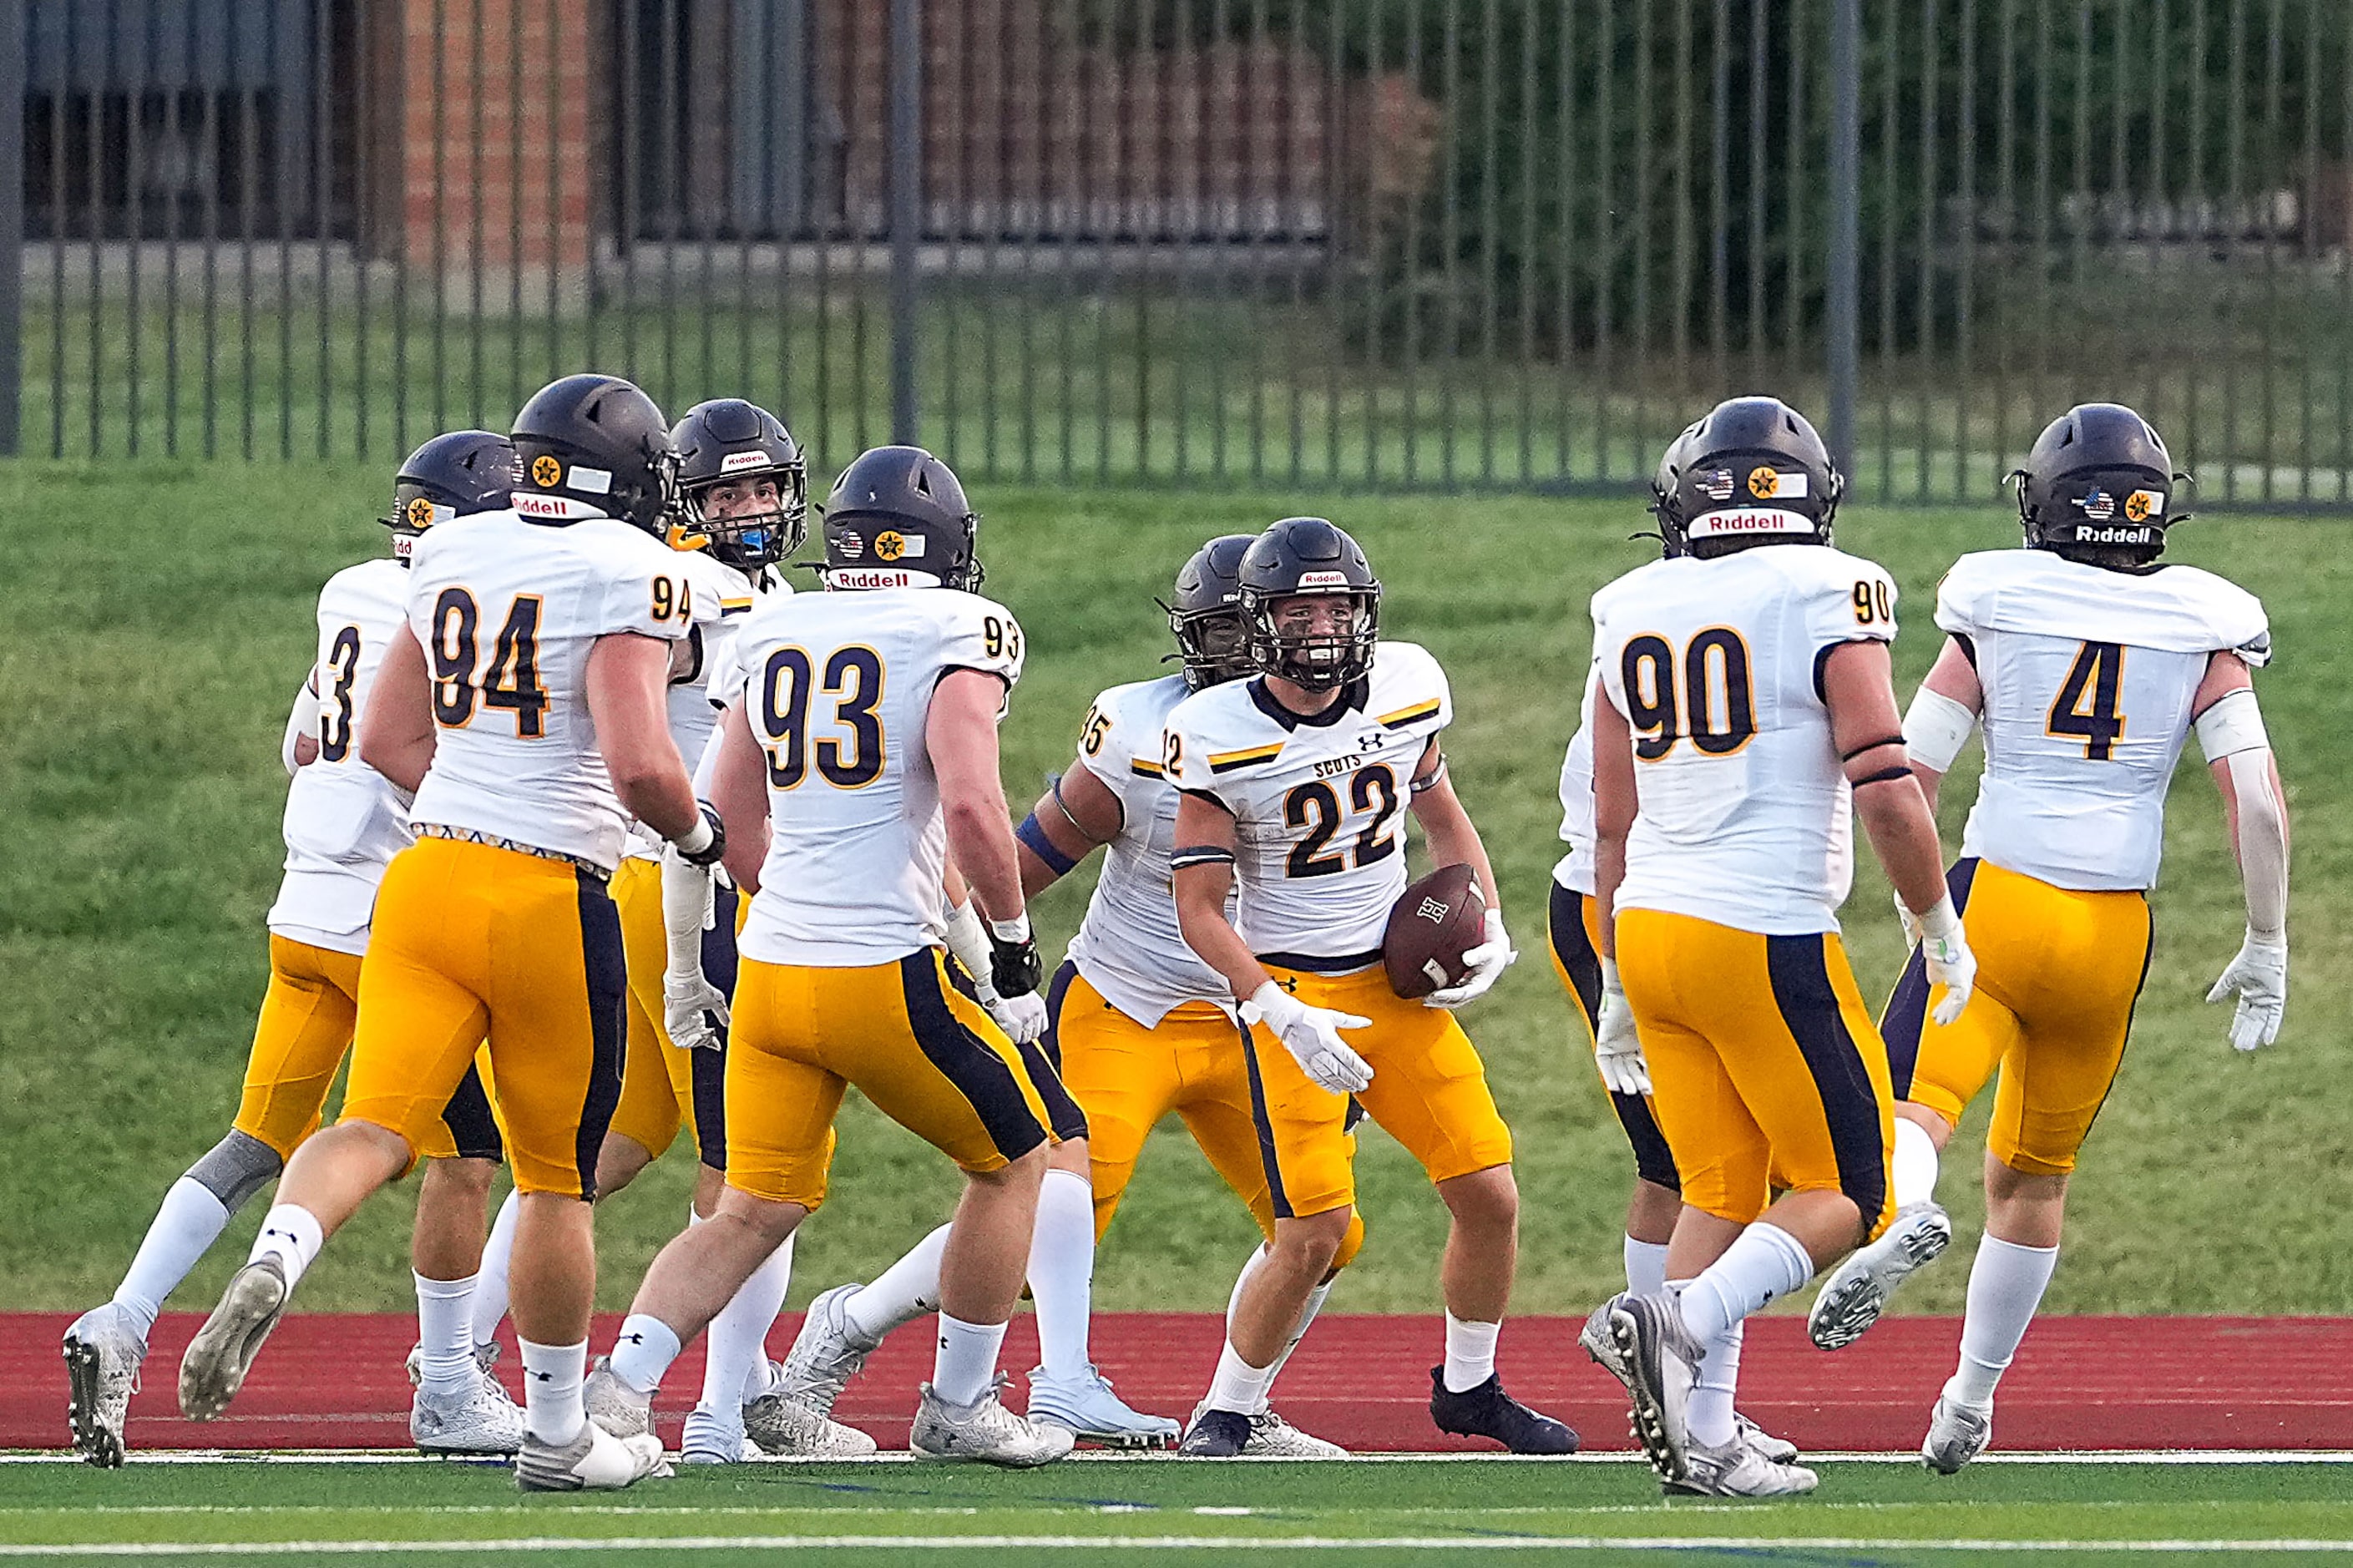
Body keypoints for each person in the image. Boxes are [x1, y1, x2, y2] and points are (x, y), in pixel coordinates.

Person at [173, 374, 718, 1493]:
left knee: (374, 1123)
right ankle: (560, 1432)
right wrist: (702, 840)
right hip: (546, 898)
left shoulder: (450, 550)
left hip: (423, 879)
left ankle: (279, 1254)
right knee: (556, 1175)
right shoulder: (632, 568)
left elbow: (384, 729)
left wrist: (474, 806)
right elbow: (641, 763)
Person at [773, 536, 1359, 1455]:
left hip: (1258, 1018)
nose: (1240, 658)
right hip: (1126, 1001)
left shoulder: (1358, 730)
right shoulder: (1139, 731)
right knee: (1046, 1215)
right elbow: (1038, 849)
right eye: (1220, 635)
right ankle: (857, 1327)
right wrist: (968, 942)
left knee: (1323, 1229)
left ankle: (1237, 1406)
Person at [1800, 403, 2288, 1475]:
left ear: (2048, 506)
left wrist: (1912, 900)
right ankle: (1968, 1402)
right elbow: (2253, 799)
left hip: (2001, 899)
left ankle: (1903, 1219)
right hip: (2115, 929)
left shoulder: (1998, 603)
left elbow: (1909, 765)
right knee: (2034, 1178)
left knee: (1911, 1114)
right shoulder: (2206, 622)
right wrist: (2267, 940)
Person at [580, 446, 1073, 1469]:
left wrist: (796, 908)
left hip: (769, 973)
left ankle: (618, 1391)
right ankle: (960, 1402)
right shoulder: (955, 628)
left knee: (750, 1206)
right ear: (943, 546)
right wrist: (1015, 949)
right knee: (1021, 1159)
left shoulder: (772, 628)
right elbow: (977, 807)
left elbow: (722, 819)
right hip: (881, 972)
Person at [62, 432, 524, 1468]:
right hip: (395, 925)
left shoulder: (348, 591)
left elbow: (301, 742)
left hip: (302, 913)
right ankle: (448, 1385)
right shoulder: (466, 610)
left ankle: (121, 1321)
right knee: (468, 1155)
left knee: (256, 1141)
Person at [1581, 396, 1977, 1498]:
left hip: (1652, 930)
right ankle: (1672, 1320)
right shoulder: (1825, 589)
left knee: (1721, 1183)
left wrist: (1614, 976)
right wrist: (1933, 926)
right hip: (1761, 932)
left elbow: (1609, 821)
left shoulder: (1628, 602)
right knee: (1852, 1191)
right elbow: (1887, 783)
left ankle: (1702, 1435)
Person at [465, 397, 852, 1464]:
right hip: (700, 888)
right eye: (728, 492)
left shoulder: (741, 588)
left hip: (656, 889)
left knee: (613, 1146)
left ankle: (454, 1359)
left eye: (767, 488)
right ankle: (727, 1414)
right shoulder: (683, 588)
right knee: (754, 1173)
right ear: (684, 498)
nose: (755, 509)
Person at [1161, 516, 1574, 1459]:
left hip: (1394, 990)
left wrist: (1487, 923)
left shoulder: (1405, 692)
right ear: (1260, 622)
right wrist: (1275, 1010)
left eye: (1338, 604)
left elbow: (1445, 823)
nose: (1323, 626)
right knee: (1313, 1230)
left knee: (1490, 1192)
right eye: (1301, 607)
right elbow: (1198, 907)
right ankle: (1227, 1409)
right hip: (1293, 996)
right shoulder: (1214, 734)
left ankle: (1469, 1386)